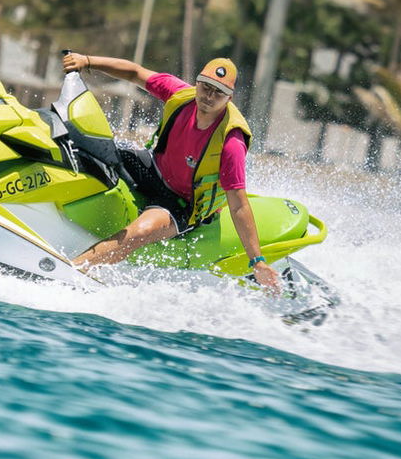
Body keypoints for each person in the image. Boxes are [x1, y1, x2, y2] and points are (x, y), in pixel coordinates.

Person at [61, 51, 281, 290]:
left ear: (229, 97)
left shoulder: (231, 142)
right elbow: (135, 73)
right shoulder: (181, 94)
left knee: (141, 231)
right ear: (197, 83)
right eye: (206, 87)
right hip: (153, 169)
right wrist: (87, 61)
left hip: (183, 203)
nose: (209, 96)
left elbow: (238, 205)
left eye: (219, 92)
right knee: (92, 147)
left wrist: (257, 261)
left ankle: (70, 271)